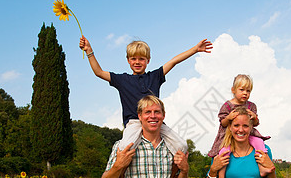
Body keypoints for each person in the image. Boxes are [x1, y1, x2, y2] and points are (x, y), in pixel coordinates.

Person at [79, 36, 212, 154]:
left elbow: (173, 62)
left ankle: (172, 176)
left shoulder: (155, 77)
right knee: (125, 147)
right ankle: (122, 176)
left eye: (141, 59)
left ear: (148, 60)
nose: (137, 62)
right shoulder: (122, 80)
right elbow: (99, 72)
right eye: (133, 59)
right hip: (134, 122)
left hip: (154, 121)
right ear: (128, 60)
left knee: (181, 146)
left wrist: (195, 49)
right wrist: (89, 51)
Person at [208, 74, 274, 178]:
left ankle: (262, 167)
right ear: (233, 90)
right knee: (223, 153)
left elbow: (255, 123)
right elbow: (222, 123)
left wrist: (254, 117)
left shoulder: (251, 105)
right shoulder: (227, 105)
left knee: (259, 142)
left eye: (248, 91)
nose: (245, 93)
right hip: (228, 136)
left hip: (250, 135)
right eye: (242, 90)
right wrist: (229, 118)